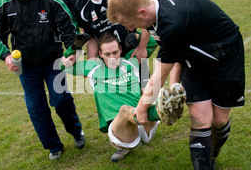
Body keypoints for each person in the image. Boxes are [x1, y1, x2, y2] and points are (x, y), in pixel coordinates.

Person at [106, 0, 245, 170]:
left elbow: (160, 70)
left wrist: (142, 109)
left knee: (219, 120)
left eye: (128, 23)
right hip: (195, 62)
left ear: (141, 12)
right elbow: (178, 50)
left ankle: (212, 154)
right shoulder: (154, 9)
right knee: (200, 117)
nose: (129, 29)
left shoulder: (173, 20)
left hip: (224, 56)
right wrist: (176, 86)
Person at [0, 0, 85, 160]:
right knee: (36, 108)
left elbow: (68, 25)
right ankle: (53, 146)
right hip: (27, 68)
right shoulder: (4, 4)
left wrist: (71, 49)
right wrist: (6, 55)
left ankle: (76, 131)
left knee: (61, 100)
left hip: (53, 62)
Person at [61, 32, 186, 162]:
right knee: (124, 110)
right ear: (100, 54)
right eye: (107, 54)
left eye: (115, 52)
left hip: (146, 125)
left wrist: (137, 36)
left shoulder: (131, 61)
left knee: (148, 99)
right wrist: (74, 47)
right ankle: (161, 111)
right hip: (122, 133)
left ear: (120, 49)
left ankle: (163, 110)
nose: (112, 57)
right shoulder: (92, 68)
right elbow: (63, 65)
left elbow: (153, 41)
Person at [73, 0, 156, 89]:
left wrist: (142, 47)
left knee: (146, 94)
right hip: (108, 60)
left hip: (132, 51)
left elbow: (147, 18)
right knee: (118, 100)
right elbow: (91, 38)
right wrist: (91, 60)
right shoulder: (81, 7)